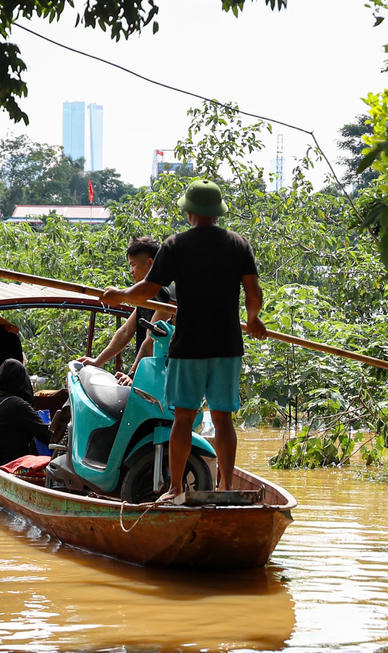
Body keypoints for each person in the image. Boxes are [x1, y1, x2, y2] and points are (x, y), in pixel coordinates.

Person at [100, 179, 266, 498]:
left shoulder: (175, 245)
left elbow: (149, 290)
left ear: (189, 213)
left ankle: (176, 488)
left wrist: (121, 295)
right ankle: (227, 486)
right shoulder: (238, 244)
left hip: (189, 346)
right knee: (223, 418)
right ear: (217, 213)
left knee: (183, 418)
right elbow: (253, 292)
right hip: (227, 346)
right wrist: (253, 319)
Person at [79, 236, 174, 386]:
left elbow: (151, 340)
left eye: (133, 265)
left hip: (169, 377)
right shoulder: (146, 298)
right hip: (151, 374)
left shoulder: (168, 295)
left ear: (150, 264)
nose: (131, 271)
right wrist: (97, 361)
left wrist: (132, 375)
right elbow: (125, 332)